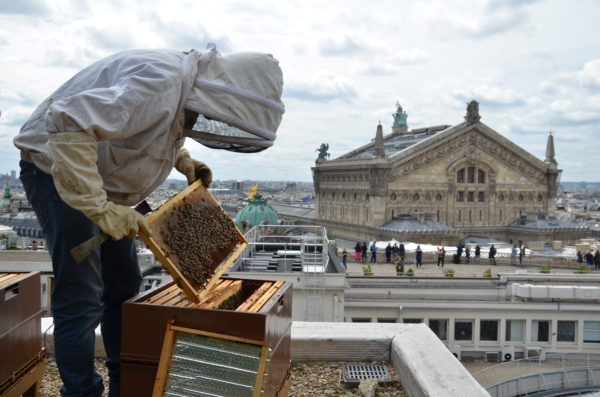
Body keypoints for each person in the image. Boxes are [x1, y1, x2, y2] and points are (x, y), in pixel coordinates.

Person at [14, 46, 284, 397]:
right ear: (225, 92)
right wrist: (100, 208)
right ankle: (82, 392)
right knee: (82, 295)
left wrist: (182, 159)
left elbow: (142, 130)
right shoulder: (160, 81)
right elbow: (69, 121)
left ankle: (126, 385)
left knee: (124, 287)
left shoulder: (183, 86)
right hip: (55, 169)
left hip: (104, 179)